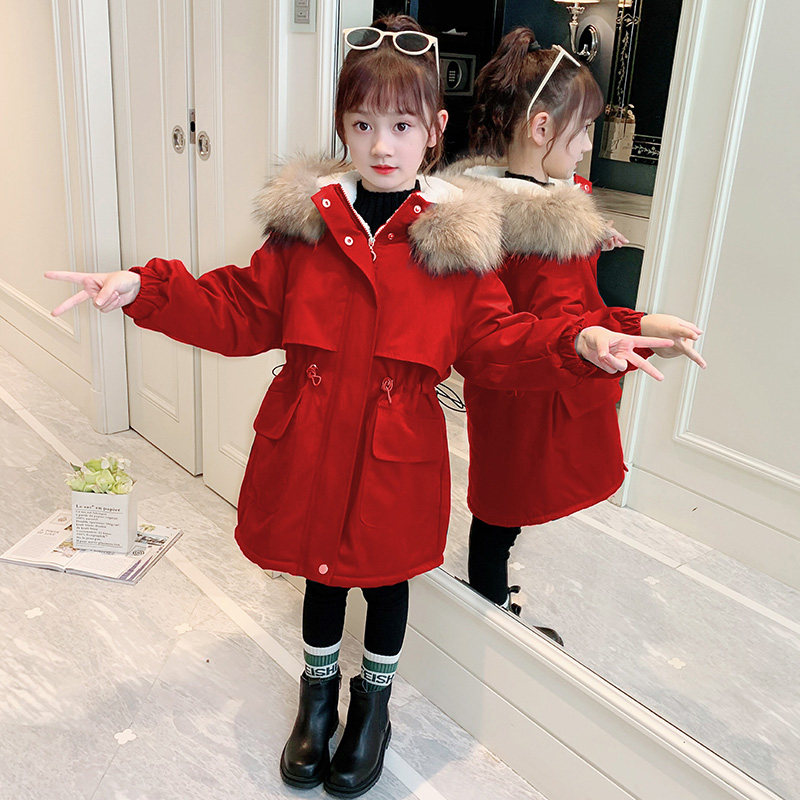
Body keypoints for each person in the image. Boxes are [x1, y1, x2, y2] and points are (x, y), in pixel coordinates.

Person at [46, 16, 673, 797]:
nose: (382, 144)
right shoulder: (307, 231)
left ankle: (372, 708)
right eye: (364, 123)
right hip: (310, 439)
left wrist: (579, 339)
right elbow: (240, 307)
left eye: (402, 125)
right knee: (320, 575)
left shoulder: (456, 247)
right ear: (343, 126)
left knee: (384, 581)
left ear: (434, 130)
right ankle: (317, 701)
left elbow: (497, 341)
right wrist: (145, 288)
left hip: (396, 454)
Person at [445, 27, 706, 646]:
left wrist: (641, 324)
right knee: (501, 505)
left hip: (546, 377)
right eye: (583, 130)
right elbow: (518, 327)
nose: (588, 146)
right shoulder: (513, 224)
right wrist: (604, 330)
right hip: (523, 387)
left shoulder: (545, 209)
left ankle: (490, 600)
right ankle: (488, 612)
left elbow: (582, 309)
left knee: (504, 505)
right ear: (542, 128)